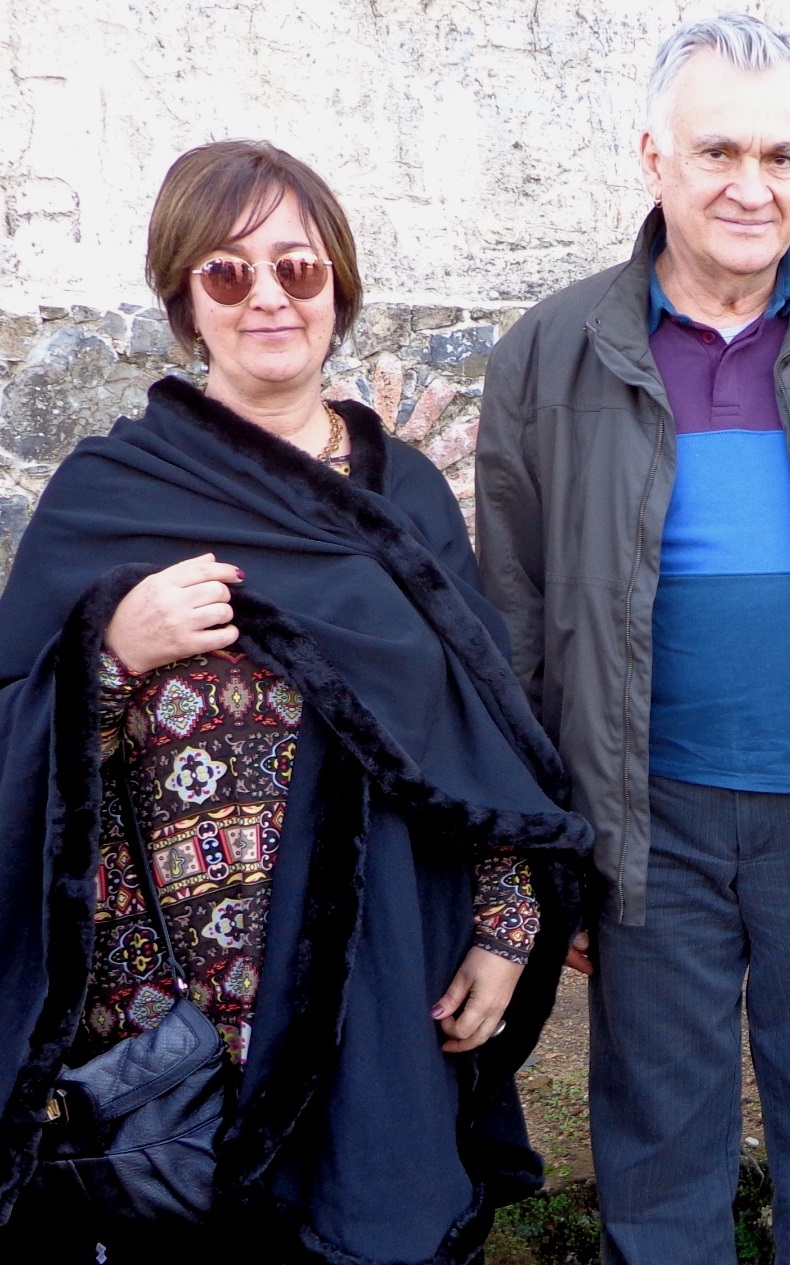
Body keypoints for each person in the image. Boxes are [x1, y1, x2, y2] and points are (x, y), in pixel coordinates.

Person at [0, 140, 589, 1264]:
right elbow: (12, 731)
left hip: (386, 974)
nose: (267, 297)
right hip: (173, 1026)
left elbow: (489, 729)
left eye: (297, 267)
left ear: (337, 288)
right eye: (227, 273)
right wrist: (110, 649)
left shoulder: (405, 497)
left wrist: (506, 928)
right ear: (186, 302)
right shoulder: (109, 494)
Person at [474, 13, 790, 1263]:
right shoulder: (551, 352)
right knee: (657, 1161)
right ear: (652, 155)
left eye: (779, 155)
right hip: (648, 829)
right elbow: (513, 626)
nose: (749, 185)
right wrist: (549, 854)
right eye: (717, 151)